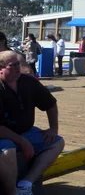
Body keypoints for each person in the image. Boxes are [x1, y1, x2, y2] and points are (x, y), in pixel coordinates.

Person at [0, 51, 65, 195]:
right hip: (3, 137)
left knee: (57, 142)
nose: (18, 68)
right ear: (1, 69)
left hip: (26, 131)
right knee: (8, 152)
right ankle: (11, 192)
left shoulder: (29, 82)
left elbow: (50, 104)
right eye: (13, 66)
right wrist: (22, 142)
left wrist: (53, 128)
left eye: (18, 64)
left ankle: (25, 184)